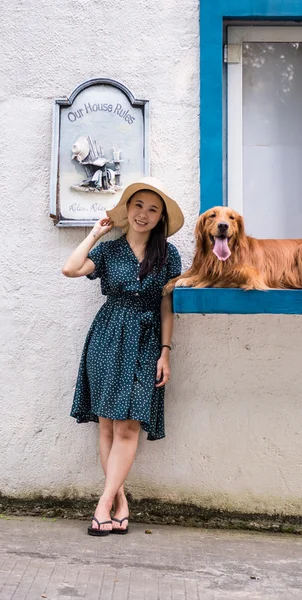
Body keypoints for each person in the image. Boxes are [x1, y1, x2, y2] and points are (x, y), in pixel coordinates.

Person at [62, 176, 184, 536]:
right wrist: (94, 234)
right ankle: (120, 502)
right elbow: (70, 268)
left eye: (152, 209)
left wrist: (166, 352)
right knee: (107, 425)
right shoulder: (109, 250)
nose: (143, 214)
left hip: (147, 338)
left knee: (129, 425)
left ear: (160, 217)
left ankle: (102, 504)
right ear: (127, 209)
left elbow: (167, 304)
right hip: (108, 334)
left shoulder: (169, 255)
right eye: (138, 206)